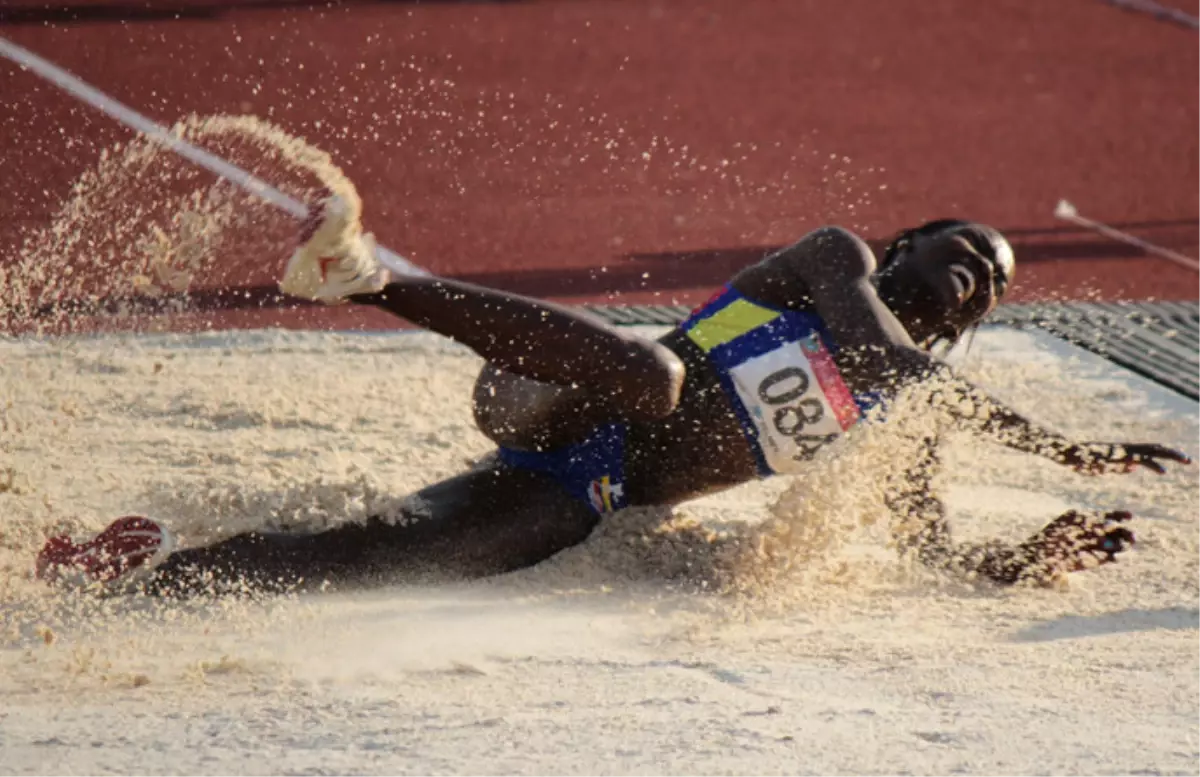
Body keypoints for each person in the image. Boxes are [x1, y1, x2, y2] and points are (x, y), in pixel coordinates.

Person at [35, 197, 1191, 595]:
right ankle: (372, 278)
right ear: (908, 243)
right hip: (554, 388)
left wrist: (1025, 556)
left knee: (394, 553)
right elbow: (888, 361)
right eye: (970, 254)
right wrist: (1075, 454)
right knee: (654, 370)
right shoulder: (835, 263)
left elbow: (928, 543)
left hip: (587, 478)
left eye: (995, 288)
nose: (981, 283)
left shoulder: (904, 412)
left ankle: (146, 565)